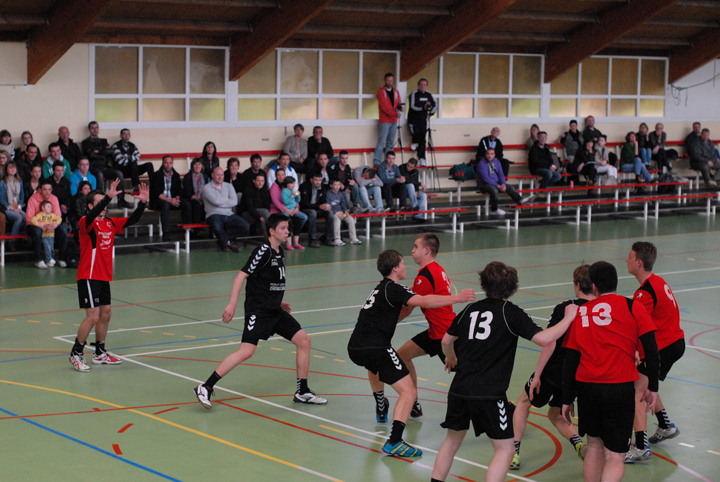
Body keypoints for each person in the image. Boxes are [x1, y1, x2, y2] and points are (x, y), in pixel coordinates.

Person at [431, 261, 578, 482]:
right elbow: (544, 339)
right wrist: (568, 318)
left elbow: (446, 341)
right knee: (505, 450)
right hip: (489, 395)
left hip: (459, 389)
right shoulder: (510, 312)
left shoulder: (470, 309)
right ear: (512, 287)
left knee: (451, 442)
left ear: (484, 284)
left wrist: (450, 357)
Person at [348, 249, 475, 457]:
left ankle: (381, 405)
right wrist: (457, 298)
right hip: (376, 347)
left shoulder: (381, 289)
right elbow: (424, 301)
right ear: (395, 268)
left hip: (356, 346)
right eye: (402, 263)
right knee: (408, 392)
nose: (406, 266)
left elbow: (392, 313)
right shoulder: (394, 289)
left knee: (379, 365)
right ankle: (395, 441)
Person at [193, 214, 328, 409]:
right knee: (246, 351)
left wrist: (278, 301)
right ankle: (205, 387)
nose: (287, 231)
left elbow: (267, 281)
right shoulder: (263, 251)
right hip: (258, 311)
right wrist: (232, 304)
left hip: (274, 310)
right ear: (272, 231)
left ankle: (302, 392)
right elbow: (241, 276)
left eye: (288, 228)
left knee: (304, 341)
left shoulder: (279, 251)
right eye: (283, 228)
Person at [561, 261, 659, 482]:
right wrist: (653, 386)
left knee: (594, 446)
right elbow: (651, 350)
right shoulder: (633, 307)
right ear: (616, 282)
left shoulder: (581, 312)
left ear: (594, 287)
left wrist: (567, 398)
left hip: (588, 389)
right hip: (619, 389)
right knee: (615, 455)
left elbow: (571, 359)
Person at [511, 265, 595, 470]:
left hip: (555, 371)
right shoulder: (600, 310)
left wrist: (538, 375)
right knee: (555, 413)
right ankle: (579, 444)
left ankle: (513, 453)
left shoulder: (565, 308)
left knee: (524, 401)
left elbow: (550, 342)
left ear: (577, 285)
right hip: (580, 374)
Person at [367, 234, 456, 420]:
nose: (412, 250)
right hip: (435, 332)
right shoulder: (436, 269)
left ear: (426, 250)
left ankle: (500, 406)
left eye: (416, 246)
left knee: (469, 377)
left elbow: (406, 309)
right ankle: (413, 402)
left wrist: (380, 326)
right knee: (402, 356)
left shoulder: (425, 276)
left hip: (444, 334)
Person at [68, 179, 149, 372]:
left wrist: (143, 203)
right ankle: (76, 353)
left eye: (104, 203)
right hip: (88, 275)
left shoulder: (110, 223)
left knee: (106, 314)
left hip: (104, 275)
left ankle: (100, 352)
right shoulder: (85, 222)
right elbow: (92, 214)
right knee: (93, 316)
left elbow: (132, 220)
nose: (103, 207)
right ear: (90, 206)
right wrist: (108, 197)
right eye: (99, 203)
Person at [625, 242, 685, 463]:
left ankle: (641, 447)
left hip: (664, 347)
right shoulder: (658, 281)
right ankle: (665, 425)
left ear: (639, 262)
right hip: (675, 343)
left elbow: (638, 327)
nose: (627, 260)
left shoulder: (644, 294)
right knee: (646, 383)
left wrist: (632, 351)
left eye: (630, 256)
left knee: (636, 392)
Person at [82, 121, 129, 208]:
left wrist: (98, 151)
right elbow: (91, 155)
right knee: (99, 175)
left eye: (96, 127)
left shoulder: (104, 141)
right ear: (89, 129)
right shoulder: (85, 142)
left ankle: (121, 200)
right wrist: (103, 151)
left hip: (105, 167)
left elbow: (111, 152)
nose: (95, 130)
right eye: (93, 128)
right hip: (93, 167)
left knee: (119, 173)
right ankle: (100, 201)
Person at [203, 167, 250, 252]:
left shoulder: (229, 186)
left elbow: (234, 201)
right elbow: (215, 201)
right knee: (217, 228)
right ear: (212, 175)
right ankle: (228, 244)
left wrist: (221, 204)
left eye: (222, 175)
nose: (220, 177)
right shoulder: (206, 188)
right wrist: (227, 199)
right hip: (213, 214)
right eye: (217, 175)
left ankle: (222, 241)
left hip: (229, 214)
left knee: (245, 226)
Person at [25, 180, 68, 269]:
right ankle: (38, 260)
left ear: (52, 190)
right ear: (40, 190)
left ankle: (62, 258)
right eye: (44, 189)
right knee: (37, 232)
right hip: (35, 224)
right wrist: (42, 225)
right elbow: (29, 219)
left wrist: (53, 225)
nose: (47, 192)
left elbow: (58, 216)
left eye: (49, 189)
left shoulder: (54, 198)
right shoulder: (33, 199)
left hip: (51, 223)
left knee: (63, 231)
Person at [149, 155, 191, 240]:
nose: (168, 165)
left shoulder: (176, 175)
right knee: (165, 205)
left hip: (172, 200)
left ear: (172, 164)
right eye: (166, 163)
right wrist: (169, 200)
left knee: (186, 204)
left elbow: (179, 190)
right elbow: (156, 193)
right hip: (158, 201)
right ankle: (166, 232)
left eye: (170, 163)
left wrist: (177, 198)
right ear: (162, 163)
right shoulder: (155, 175)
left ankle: (188, 229)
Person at [476, 148, 528, 215]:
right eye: (488, 154)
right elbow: (486, 178)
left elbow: (501, 175)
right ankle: (494, 209)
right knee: (494, 190)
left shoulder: (497, 162)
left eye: (491, 154)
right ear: (485, 154)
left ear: (494, 155)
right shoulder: (481, 163)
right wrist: (498, 186)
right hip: (484, 184)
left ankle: (520, 200)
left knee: (510, 187)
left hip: (496, 182)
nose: (489, 156)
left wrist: (503, 184)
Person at [270, 168, 305, 249]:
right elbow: (276, 203)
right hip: (278, 210)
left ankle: (294, 236)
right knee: (287, 220)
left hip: (291, 209)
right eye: (279, 175)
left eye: (283, 174)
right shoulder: (274, 187)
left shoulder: (289, 186)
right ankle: (287, 241)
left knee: (302, 218)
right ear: (276, 176)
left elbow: (294, 200)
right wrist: (287, 210)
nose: (281, 177)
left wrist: (297, 207)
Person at [374, 73, 403, 165]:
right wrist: (395, 114)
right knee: (381, 141)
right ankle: (377, 161)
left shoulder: (395, 91)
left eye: (391, 81)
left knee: (390, 142)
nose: (390, 82)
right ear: (385, 80)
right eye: (388, 81)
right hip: (385, 120)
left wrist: (400, 108)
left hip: (394, 120)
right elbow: (385, 107)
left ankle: (388, 161)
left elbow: (399, 102)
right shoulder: (381, 91)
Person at [407, 78, 437, 165]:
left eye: (424, 85)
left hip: (423, 120)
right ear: (418, 85)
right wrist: (423, 108)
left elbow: (435, 105)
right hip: (413, 119)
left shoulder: (428, 95)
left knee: (423, 139)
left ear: (427, 86)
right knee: (415, 133)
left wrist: (430, 114)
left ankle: (421, 158)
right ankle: (414, 141)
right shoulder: (414, 94)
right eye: (421, 85)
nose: (422, 86)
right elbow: (413, 106)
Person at [299, 171, 330, 248]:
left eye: (320, 180)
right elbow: (304, 204)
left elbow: (323, 200)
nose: (318, 182)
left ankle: (328, 237)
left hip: (317, 209)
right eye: (316, 180)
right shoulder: (304, 186)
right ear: (311, 179)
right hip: (305, 209)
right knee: (312, 213)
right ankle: (312, 239)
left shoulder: (323, 187)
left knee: (329, 212)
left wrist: (326, 205)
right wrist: (319, 206)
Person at [326, 179, 360, 246]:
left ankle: (353, 238)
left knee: (350, 219)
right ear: (331, 185)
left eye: (339, 184)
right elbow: (328, 205)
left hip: (341, 212)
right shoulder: (328, 194)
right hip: (333, 212)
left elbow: (343, 204)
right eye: (335, 185)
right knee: (337, 220)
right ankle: (337, 238)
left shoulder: (340, 194)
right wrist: (336, 213)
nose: (337, 186)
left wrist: (345, 211)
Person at [0, 161, 26, 247]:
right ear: (6, 169)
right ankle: (12, 242)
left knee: (27, 217)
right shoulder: (3, 182)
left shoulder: (19, 180)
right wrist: (13, 208)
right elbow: (2, 199)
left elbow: (22, 196)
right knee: (19, 217)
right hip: (7, 208)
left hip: (17, 207)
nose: (12, 169)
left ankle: (27, 240)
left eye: (14, 167)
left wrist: (19, 206)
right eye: (10, 167)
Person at [30, 201, 61, 267]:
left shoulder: (52, 215)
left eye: (51, 207)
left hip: (51, 235)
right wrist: (41, 226)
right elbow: (33, 220)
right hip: (44, 235)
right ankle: (49, 259)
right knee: (47, 247)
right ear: (43, 208)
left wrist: (55, 224)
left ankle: (50, 259)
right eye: (48, 207)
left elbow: (59, 218)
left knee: (51, 248)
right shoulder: (40, 215)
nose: (50, 208)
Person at [240, 172, 271, 237]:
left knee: (264, 218)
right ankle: (271, 239)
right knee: (265, 213)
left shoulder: (265, 190)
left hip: (261, 213)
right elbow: (250, 207)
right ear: (254, 181)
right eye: (258, 180)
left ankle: (268, 239)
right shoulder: (248, 190)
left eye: (262, 181)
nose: (260, 183)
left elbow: (267, 205)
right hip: (247, 213)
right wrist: (259, 217)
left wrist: (261, 217)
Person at [280, 177, 307, 250]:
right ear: (287, 184)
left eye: (294, 183)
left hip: (294, 210)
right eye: (291, 183)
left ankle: (296, 242)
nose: (293, 185)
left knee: (304, 217)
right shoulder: (284, 191)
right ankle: (288, 243)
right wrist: (292, 195)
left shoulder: (293, 190)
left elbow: (297, 201)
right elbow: (285, 201)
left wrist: (298, 196)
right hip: (287, 210)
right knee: (287, 221)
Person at [399, 158, 428, 223]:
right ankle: (415, 206)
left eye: (411, 167)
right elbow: (407, 180)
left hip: (412, 191)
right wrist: (420, 184)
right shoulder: (401, 168)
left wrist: (416, 190)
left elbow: (415, 181)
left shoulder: (416, 171)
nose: (408, 168)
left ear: (414, 167)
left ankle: (417, 216)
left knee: (423, 195)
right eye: (408, 165)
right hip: (403, 190)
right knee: (410, 185)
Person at [182, 158, 209, 225]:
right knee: (196, 204)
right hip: (190, 198)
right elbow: (187, 191)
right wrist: (194, 197)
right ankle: (196, 227)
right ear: (192, 166)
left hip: (202, 198)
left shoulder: (205, 177)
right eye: (195, 164)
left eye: (199, 164)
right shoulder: (187, 176)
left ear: (202, 166)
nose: (197, 166)